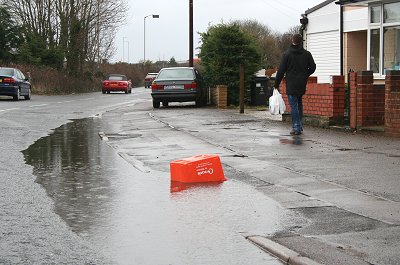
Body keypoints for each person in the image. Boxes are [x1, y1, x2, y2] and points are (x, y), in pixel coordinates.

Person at [274, 33, 316, 135]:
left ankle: (296, 127)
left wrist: (276, 84)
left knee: (294, 106)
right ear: (301, 42)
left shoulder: (287, 54)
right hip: (302, 83)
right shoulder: (307, 54)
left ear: (292, 41)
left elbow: (281, 71)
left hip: (291, 83)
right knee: (299, 104)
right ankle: (299, 126)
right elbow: (313, 67)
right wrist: (305, 74)